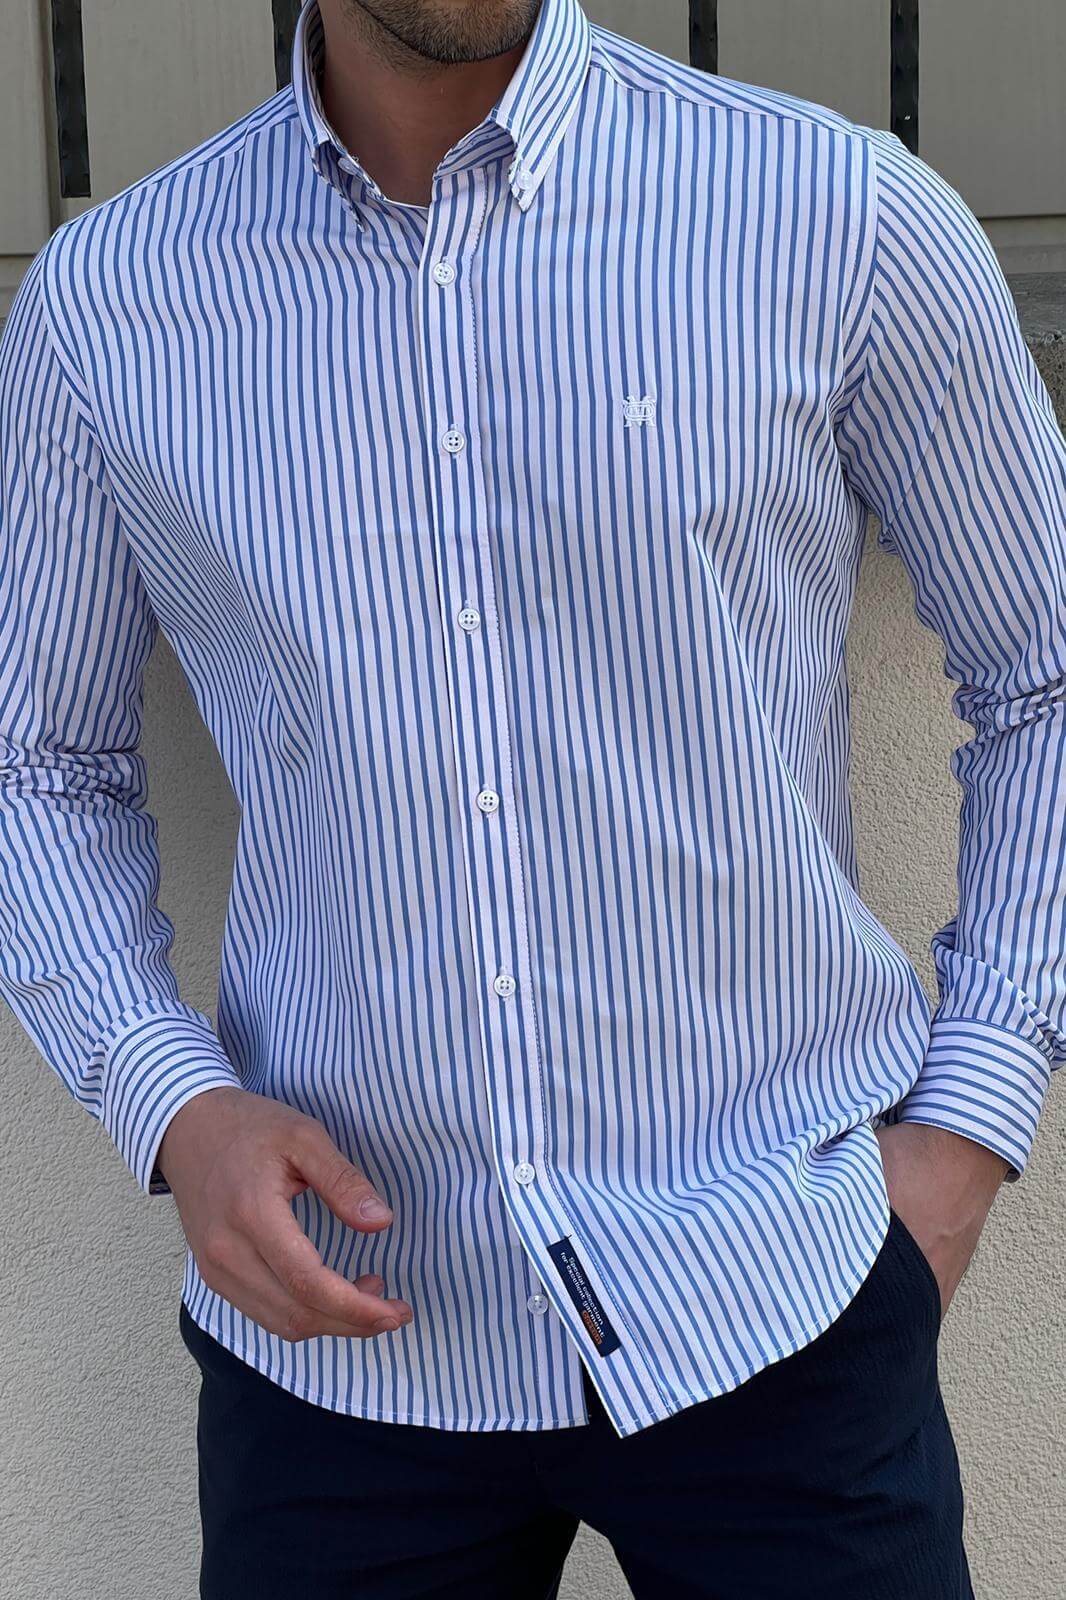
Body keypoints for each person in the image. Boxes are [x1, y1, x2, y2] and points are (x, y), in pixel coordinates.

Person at [0, 0, 1062, 1594]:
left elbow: (1044, 670)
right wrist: (172, 1103)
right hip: (342, 1353)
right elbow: (38, 760)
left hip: (777, 1291)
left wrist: (970, 1120)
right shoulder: (112, 303)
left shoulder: (833, 215)